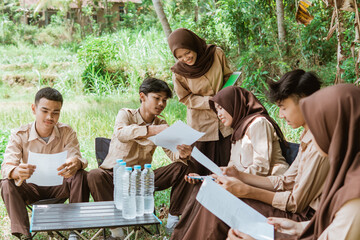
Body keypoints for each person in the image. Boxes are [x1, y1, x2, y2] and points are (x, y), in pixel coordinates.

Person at [171, 69, 329, 240]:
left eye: (283, 108)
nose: (281, 116)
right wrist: (238, 176)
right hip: (288, 204)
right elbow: (286, 181)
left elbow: (295, 202)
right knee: (211, 194)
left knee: (220, 201)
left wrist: (247, 190)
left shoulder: (319, 143)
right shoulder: (306, 136)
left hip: (304, 219)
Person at [228, 84, 360, 240]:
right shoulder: (349, 173)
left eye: (318, 126)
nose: (311, 133)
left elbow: (298, 203)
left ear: (337, 131)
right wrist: (299, 228)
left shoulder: (354, 202)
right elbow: (332, 225)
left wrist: (247, 190)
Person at [171, 86, 289, 239]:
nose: (219, 114)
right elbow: (232, 168)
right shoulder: (238, 131)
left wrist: (233, 179)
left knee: (216, 198)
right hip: (245, 183)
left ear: (235, 103)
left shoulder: (258, 123)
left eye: (221, 108)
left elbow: (262, 167)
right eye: (217, 110)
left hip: (269, 185)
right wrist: (208, 177)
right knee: (201, 188)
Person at [87, 78, 193, 238]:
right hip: (115, 175)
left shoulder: (161, 122)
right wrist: (152, 130)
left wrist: (181, 154)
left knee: (182, 167)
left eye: (164, 100)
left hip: (143, 177)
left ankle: (173, 219)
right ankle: (116, 230)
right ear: (142, 97)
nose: (161, 104)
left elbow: (172, 153)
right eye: (157, 98)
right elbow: (121, 133)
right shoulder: (126, 114)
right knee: (94, 175)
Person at [1, 87, 89, 240]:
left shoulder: (67, 132)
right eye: (45, 110)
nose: (50, 116)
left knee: (80, 174)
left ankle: (75, 230)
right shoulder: (19, 134)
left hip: (60, 185)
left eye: (56, 112)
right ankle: (24, 234)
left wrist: (75, 163)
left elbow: (76, 157)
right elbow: (7, 166)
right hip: (31, 188)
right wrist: (16, 171)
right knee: (6, 183)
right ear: (34, 109)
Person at [168, 28, 233, 229]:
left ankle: (227, 215)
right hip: (201, 124)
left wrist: (226, 95)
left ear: (194, 45)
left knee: (226, 168)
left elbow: (229, 77)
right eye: (180, 56)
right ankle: (190, 216)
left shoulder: (216, 54)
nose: (186, 58)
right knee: (199, 172)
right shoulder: (178, 71)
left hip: (225, 122)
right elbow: (185, 97)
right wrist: (211, 101)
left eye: (187, 52)